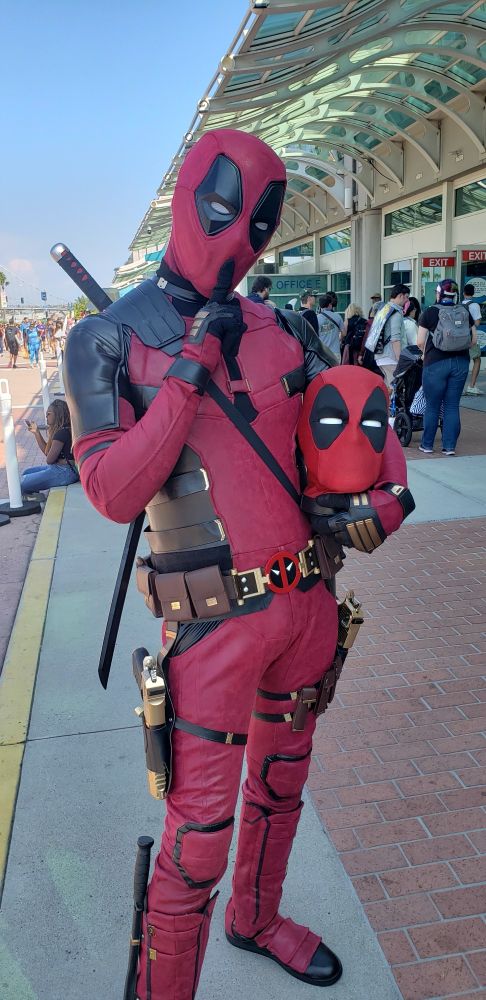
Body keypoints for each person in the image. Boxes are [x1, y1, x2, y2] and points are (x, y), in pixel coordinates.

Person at [63, 128, 411, 1000]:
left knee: (282, 788)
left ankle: (254, 919)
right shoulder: (108, 338)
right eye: (223, 206)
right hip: (212, 629)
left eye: (260, 217)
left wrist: (389, 498)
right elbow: (110, 487)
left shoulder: (284, 326)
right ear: (188, 193)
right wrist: (188, 369)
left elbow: (365, 419)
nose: (240, 233)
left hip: (308, 607)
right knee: (199, 834)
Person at [417, 278, 476, 456]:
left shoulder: (429, 312)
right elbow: (473, 340)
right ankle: (449, 447)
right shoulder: (464, 311)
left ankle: (427, 445)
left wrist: (426, 352)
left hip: (435, 364)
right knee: (452, 405)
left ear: (439, 293)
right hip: (461, 363)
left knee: (432, 405)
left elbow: (420, 341)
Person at [21, 399, 79, 495]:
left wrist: (56, 459)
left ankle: (31, 501)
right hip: (63, 469)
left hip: (64, 472)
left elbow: (49, 460)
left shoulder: (61, 433)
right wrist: (36, 433)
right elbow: (48, 454)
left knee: (23, 483)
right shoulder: (65, 429)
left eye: (49, 414)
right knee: (26, 472)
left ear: (58, 415)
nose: (46, 416)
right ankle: (33, 497)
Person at [373, 284, 409, 389]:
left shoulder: (384, 310)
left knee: (388, 388)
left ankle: (384, 405)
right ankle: (388, 406)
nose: (407, 301)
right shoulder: (396, 314)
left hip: (381, 355)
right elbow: (395, 339)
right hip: (391, 357)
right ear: (401, 296)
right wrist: (400, 359)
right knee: (395, 389)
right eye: (406, 297)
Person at [462, 283, 483, 396]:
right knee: (477, 359)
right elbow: (477, 323)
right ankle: (471, 386)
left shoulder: (459, 304)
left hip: (459, 337)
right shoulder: (475, 305)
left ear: (464, 293)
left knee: (462, 361)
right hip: (471, 337)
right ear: (473, 293)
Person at [317, 293, 344, 360]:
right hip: (335, 352)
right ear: (329, 304)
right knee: (336, 370)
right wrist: (340, 338)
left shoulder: (316, 318)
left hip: (323, 352)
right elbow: (344, 333)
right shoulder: (338, 316)